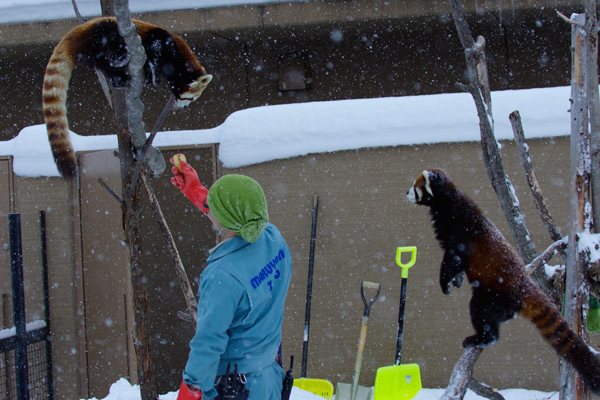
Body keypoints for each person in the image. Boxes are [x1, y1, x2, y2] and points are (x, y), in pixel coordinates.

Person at [170, 156, 293, 400]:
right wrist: (194, 189)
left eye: (214, 206)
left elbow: (208, 342)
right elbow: (237, 216)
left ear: (226, 218)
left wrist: (191, 389)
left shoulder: (222, 277)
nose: (210, 208)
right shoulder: (272, 238)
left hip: (236, 387)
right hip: (268, 379)